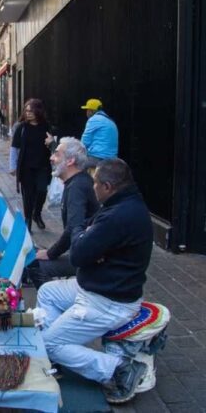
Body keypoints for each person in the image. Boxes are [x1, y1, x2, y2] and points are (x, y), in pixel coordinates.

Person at [37, 158, 153, 404]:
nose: (93, 187)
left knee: (47, 344)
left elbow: (78, 253)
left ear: (108, 186)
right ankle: (64, 348)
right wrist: (86, 237)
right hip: (93, 285)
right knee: (48, 292)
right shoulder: (121, 202)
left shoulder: (119, 214)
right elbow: (87, 237)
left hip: (107, 300)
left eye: (96, 183)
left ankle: (119, 369)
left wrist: (82, 233)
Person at [26, 138, 99, 289]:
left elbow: (73, 227)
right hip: (84, 252)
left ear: (70, 160)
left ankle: (53, 303)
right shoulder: (76, 182)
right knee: (35, 251)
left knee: (35, 265)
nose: (51, 158)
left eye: (57, 154)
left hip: (88, 260)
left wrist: (51, 253)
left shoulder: (77, 187)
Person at [12, 99, 52, 231]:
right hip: (26, 167)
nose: (28, 113)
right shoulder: (21, 128)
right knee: (27, 195)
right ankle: (28, 219)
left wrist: (50, 143)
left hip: (42, 166)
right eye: (26, 111)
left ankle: (37, 214)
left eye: (31, 111)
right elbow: (14, 148)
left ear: (38, 111)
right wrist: (13, 166)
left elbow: (52, 145)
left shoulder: (46, 126)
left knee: (42, 191)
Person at [80, 98, 118, 167]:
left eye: (87, 110)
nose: (86, 112)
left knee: (72, 164)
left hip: (97, 158)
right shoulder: (111, 121)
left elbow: (84, 143)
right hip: (112, 160)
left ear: (91, 111)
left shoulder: (93, 119)